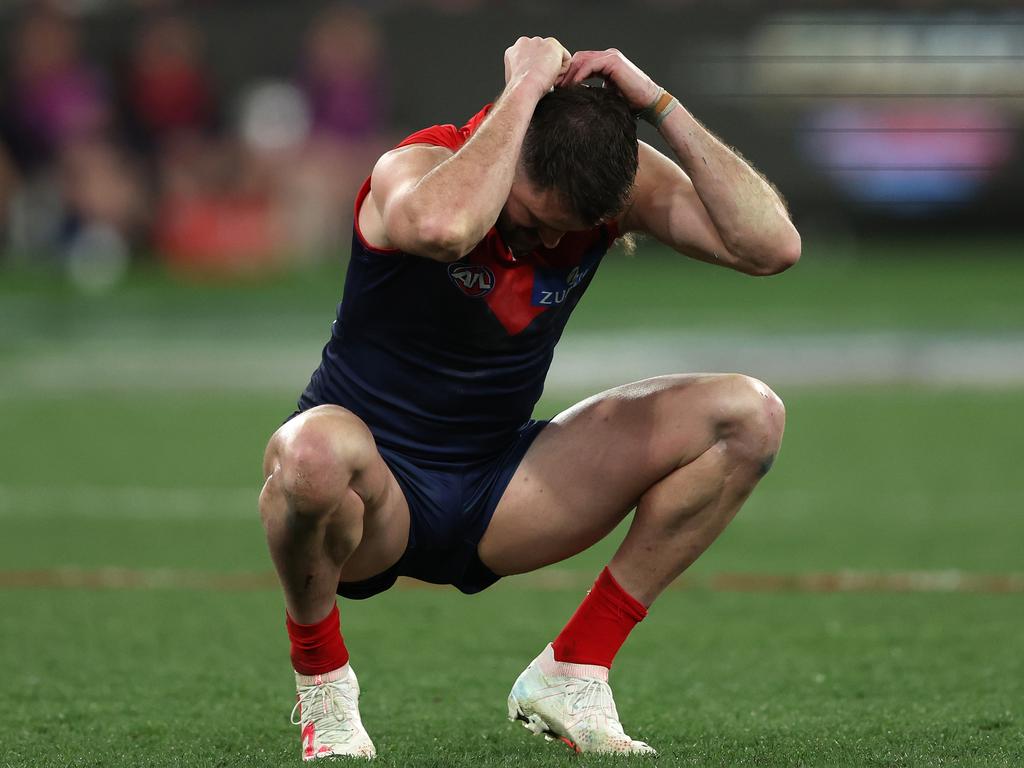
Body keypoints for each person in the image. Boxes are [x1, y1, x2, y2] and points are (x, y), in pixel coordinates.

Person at [259, 37, 800, 760]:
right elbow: (444, 229)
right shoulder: (418, 166)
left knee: (750, 417)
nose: (541, 239)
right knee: (311, 454)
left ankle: (575, 669)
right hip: (372, 491)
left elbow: (771, 247)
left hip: (503, 491)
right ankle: (324, 688)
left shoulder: (604, 187)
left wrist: (656, 103)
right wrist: (524, 89)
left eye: (562, 231)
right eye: (528, 217)